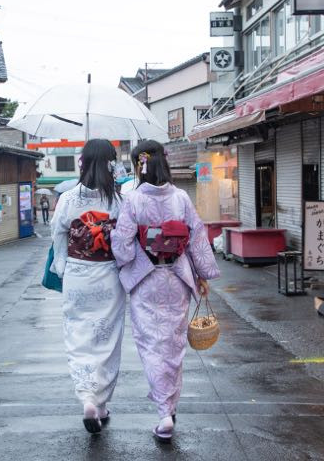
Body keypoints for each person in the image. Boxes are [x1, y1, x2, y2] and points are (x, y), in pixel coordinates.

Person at [111, 139, 219, 443]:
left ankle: (163, 413)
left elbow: (122, 245)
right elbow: (197, 237)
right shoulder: (181, 197)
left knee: (150, 345)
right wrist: (202, 274)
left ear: (139, 165)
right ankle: (169, 408)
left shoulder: (132, 200)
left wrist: (126, 256)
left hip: (147, 280)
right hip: (176, 279)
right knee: (173, 345)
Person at [50, 139, 124, 434]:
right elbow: (126, 240)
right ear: (109, 163)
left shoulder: (68, 198)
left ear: (83, 162)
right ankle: (102, 402)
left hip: (78, 275)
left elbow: (57, 235)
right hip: (107, 273)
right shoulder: (117, 201)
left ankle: (88, 399)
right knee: (107, 338)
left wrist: (64, 268)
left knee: (79, 336)